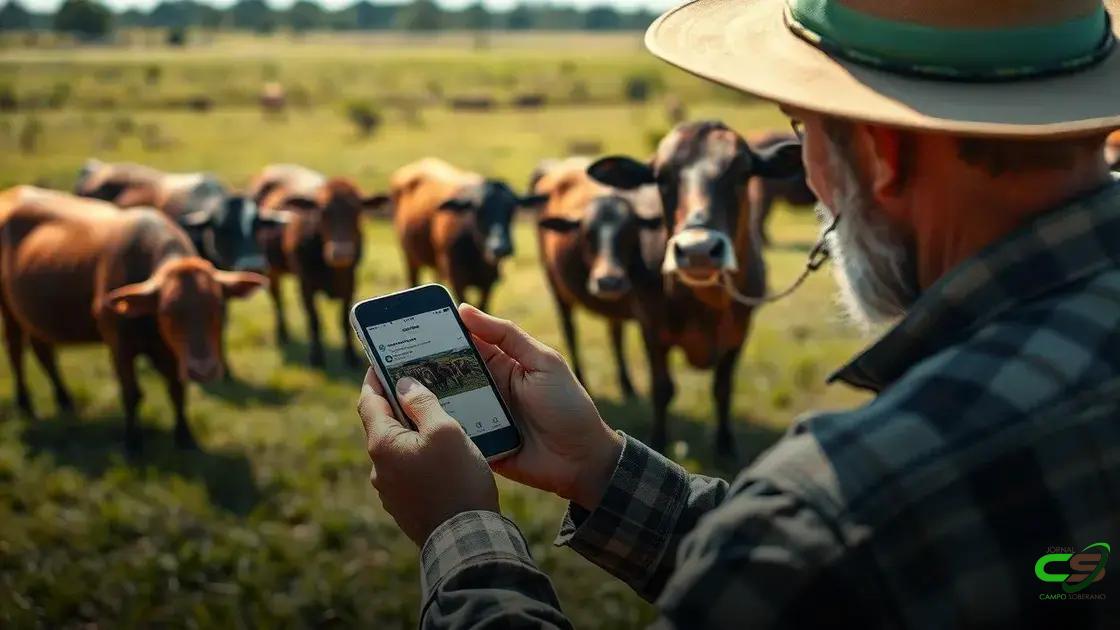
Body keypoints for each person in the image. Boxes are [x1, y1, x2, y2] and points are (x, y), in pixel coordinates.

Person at [357, 0, 1120, 626]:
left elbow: (809, 559)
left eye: (802, 128)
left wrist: (459, 530)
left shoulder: (838, 511)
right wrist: (600, 469)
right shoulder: (832, 528)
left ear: (882, 154)